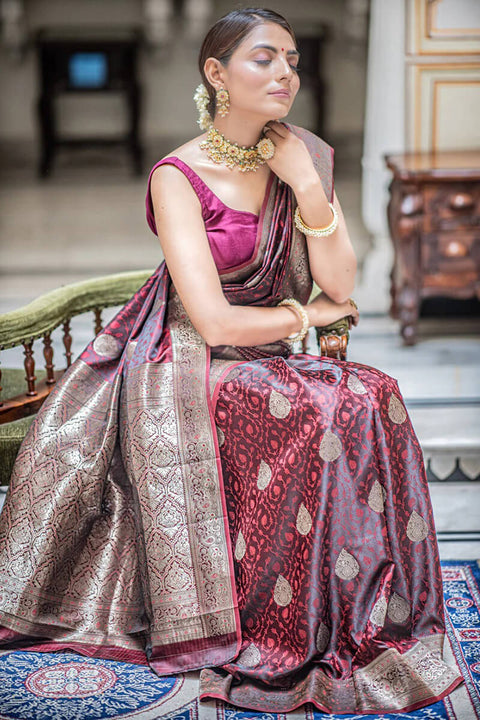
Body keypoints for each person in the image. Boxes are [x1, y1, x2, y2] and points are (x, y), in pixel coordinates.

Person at [0, 7, 464, 715]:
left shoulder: (302, 155)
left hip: (268, 350)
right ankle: (276, 618)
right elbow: (213, 318)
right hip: (183, 360)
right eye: (264, 59)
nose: (286, 73)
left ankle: (352, 609)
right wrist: (309, 318)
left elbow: (340, 282)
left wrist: (308, 187)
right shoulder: (179, 176)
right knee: (316, 406)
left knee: (373, 392)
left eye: (292, 60)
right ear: (216, 74)